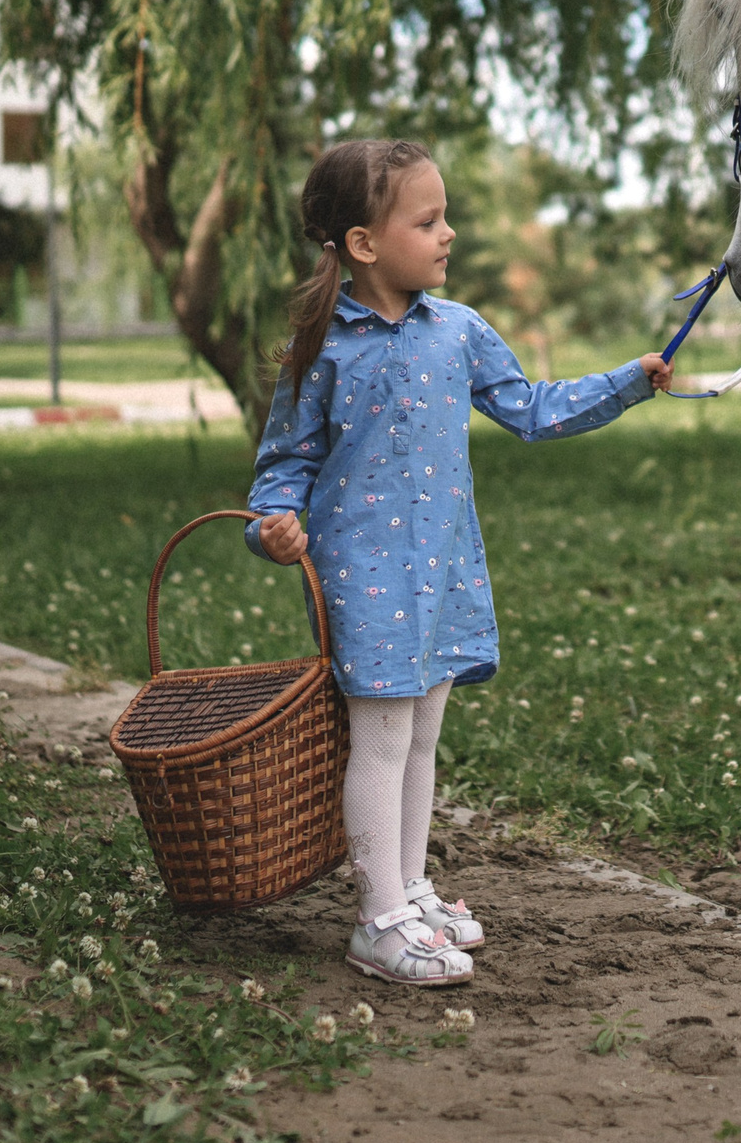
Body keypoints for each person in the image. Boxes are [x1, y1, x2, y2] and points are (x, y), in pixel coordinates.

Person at [246, 140, 673, 986]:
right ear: (364, 244)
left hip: (442, 570)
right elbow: (280, 472)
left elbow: (533, 410)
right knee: (381, 739)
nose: (449, 234)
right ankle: (377, 920)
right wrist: (271, 531)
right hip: (364, 577)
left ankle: (408, 888)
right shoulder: (321, 347)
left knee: (422, 737)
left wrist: (629, 381)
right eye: (428, 220)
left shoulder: (459, 330)